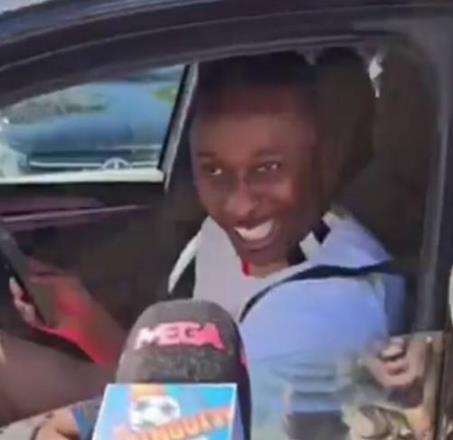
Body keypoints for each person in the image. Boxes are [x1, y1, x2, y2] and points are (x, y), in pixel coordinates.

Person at [8, 50, 406, 436]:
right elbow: (181, 393)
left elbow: (187, 426)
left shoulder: (321, 314)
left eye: (268, 168)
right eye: (214, 170)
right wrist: (85, 321)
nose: (238, 204)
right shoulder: (242, 235)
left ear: (318, 159)